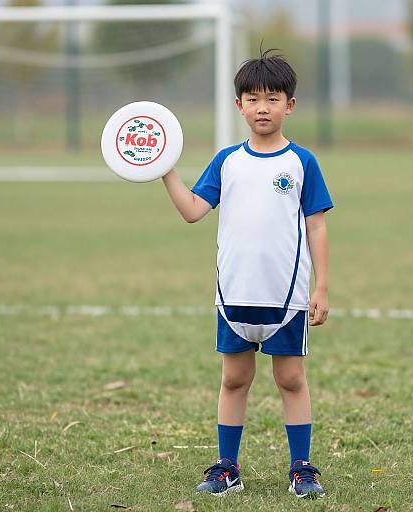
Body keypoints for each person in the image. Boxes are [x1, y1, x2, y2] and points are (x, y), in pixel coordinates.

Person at [161, 48, 334, 499]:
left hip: (286, 296)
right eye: (253, 98)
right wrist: (166, 171)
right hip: (233, 294)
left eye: (273, 98)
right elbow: (193, 211)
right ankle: (227, 468)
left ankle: (302, 469)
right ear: (239, 105)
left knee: (291, 379)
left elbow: (317, 224)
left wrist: (323, 286)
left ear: (289, 105)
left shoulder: (301, 163)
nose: (262, 107)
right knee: (234, 379)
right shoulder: (226, 161)